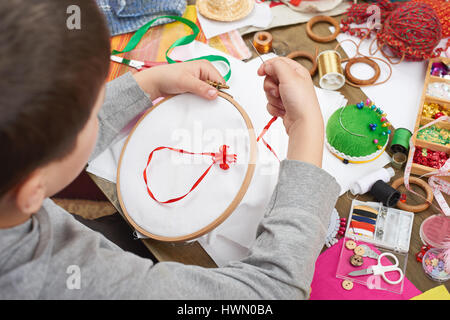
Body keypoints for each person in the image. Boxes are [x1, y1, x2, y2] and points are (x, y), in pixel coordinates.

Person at [0, 0, 339, 299]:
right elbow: (272, 292)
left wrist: (150, 82)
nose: (99, 109)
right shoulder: (69, 281)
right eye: (91, 111)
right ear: (32, 191)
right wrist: (306, 130)